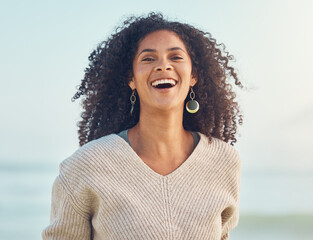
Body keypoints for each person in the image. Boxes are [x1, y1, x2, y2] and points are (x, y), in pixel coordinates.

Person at [42, 12, 243, 240]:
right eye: (148, 59)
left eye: (175, 57)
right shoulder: (84, 167)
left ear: (194, 75)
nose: (163, 66)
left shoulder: (224, 161)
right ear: (131, 79)